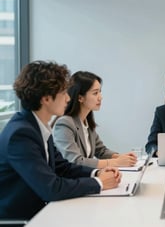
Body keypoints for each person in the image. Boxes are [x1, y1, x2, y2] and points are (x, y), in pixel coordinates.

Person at [0, 61, 121, 220]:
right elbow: (51, 188)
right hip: (23, 220)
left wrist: (97, 172)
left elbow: (62, 167)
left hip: (42, 211)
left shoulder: (37, 126)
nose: (68, 98)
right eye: (64, 92)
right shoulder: (21, 134)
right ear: (46, 99)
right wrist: (99, 183)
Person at [53, 71, 137, 168]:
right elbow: (75, 161)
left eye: (100, 92)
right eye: (95, 93)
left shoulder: (86, 122)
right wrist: (116, 162)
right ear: (80, 98)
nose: (100, 97)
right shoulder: (65, 123)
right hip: (70, 180)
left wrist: (122, 157)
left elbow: (101, 151)